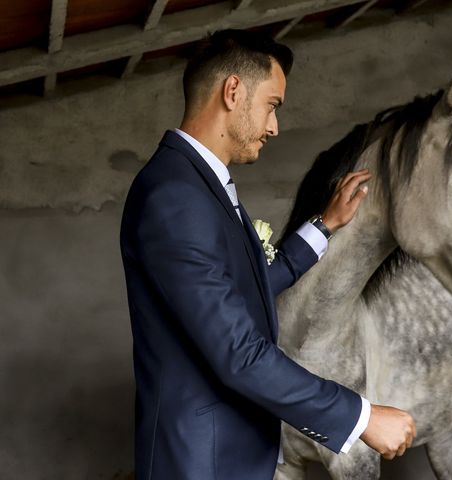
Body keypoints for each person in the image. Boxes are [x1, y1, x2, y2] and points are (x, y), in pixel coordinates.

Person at [120, 29, 416, 479]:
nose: (275, 126)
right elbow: (238, 353)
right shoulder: (175, 197)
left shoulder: (198, 183)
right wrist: (361, 417)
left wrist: (324, 226)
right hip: (200, 464)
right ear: (233, 91)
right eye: (272, 105)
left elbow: (244, 289)